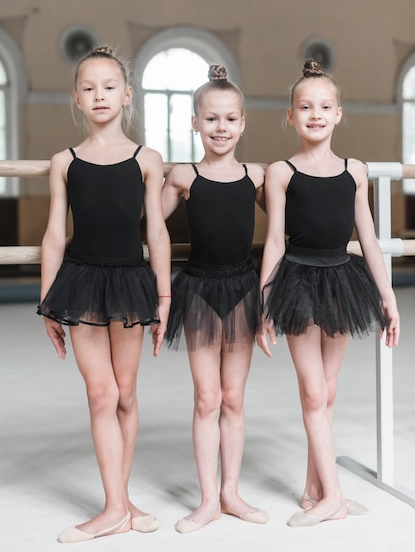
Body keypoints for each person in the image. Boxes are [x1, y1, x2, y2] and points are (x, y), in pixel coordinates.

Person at [37, 46, 171, 543]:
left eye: (109, 86)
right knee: (102, 393)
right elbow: (54, 235)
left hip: (132, 281)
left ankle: (122, 499)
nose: (99, 95)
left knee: (127, 393)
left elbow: (156, 233)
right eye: (89, 88)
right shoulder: (64, 162)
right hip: (81, 282)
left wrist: (164, 298)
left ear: (127, 95)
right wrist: (48, 301)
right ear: (76, 98)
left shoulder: (146, 159)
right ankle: (115, 507)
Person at [258, 59, 400, 527]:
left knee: (327, 391)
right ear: (291, 115)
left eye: (324, 106)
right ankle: (334, 496)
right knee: (313, 390)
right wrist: (265, 304)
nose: (315, 114)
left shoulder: (354, 171)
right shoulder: (281, 171)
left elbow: (370, 239)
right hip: (297, 282)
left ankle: (313, 489)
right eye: (305, 107)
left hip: (342, 279)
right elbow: (275, 240)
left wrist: (389, 297)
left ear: (338, 113)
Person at [162, 64, 267, 534]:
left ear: (243, 123)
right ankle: (207, 500)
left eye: (229, 119)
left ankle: (231, 493)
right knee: (207, 398)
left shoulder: (256, 176)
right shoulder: (185, 176)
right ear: (195, 123)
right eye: (211, 119)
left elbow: (291, 222)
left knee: (234, 398)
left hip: (243, 289)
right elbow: (148, 224)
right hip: (200, 289)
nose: (220, 128)